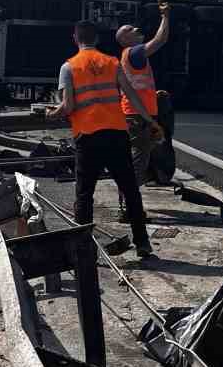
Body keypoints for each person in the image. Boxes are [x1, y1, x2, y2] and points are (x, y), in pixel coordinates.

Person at [48, 21, 163, 259]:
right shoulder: (112, 63)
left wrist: (52, 113)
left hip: (88, 138)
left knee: (84, 194)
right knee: (130, 190)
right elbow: (131, 96)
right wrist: (150, 122)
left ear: (75, 38)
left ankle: (84, 250)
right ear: (97, 39)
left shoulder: (69, 67)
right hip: (117, 135)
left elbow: (68, 106)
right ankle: (143, 244)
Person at [116, 3, 170, 192]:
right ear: (125, 39)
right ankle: (129, 202)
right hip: (138, 115)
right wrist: (165, 16)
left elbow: (137, 85)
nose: (136, 29)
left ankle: (140, 186)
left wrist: (153, 96)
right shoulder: (135, 52)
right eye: (130, 29)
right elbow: (161, 39)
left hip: (137, 113)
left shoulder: (128, 56)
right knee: (139, 159)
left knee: (145, 154)